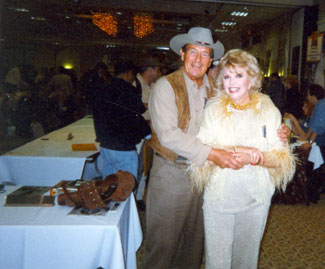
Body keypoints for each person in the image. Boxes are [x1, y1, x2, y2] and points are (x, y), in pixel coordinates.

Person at [142, 27, 290, 269]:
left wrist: (282, 130)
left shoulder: (216, 90)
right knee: (162, 246)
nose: (198, 59)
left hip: (209, 178)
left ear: (211, 60)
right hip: (173, 173)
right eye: (193, 52)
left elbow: (253, 115)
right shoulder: (165, 86)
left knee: (194, 246)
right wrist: (212, 154)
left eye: (205, 54)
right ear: (182, 53)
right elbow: (168, 135)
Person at [188, 49, 296, 269]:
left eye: (239, 75)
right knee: (217, 261)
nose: (231, 82)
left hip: (255, 199)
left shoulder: (268, 110)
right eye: (227, 76)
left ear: (252, 79)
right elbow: (202, 152)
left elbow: (282, 159)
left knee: (246, 261)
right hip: (219, 199)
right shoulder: (213, 110)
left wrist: (255, 157)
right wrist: (219, 156)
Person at [92, 60, 151, 179]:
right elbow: (139, 109)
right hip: (123, 147)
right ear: (128, 73)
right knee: (126, 186)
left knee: (108, 184)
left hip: (106, 145)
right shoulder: (128, 90)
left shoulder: (103, 88)